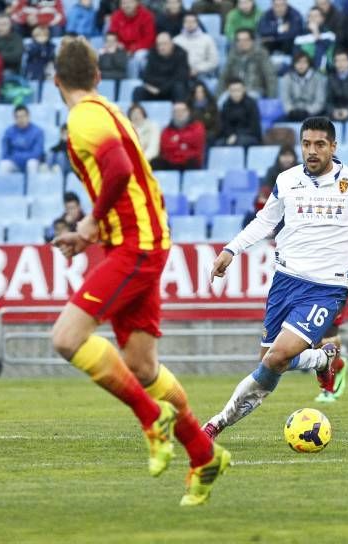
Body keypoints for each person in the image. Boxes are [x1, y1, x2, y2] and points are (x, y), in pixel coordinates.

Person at [50, 36, 229, 506]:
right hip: (136, 240)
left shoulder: (85, 116)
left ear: (55, 81)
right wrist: (90, 233)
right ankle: (204, 454)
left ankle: (153, 419)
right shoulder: (106, 110)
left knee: (67, 338)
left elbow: (120, 169)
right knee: (142, 365)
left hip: (136, 245)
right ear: (98, 75)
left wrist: (88, 223)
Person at [201, 116, 348, 440]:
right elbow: (265, 222)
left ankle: (214, 424)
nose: (312, 151)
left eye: (319, 144)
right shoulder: (287, 180)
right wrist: (231, 250)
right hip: (285, 280)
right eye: (306, 144)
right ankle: (322, 358)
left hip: (326, 287)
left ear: (334, 146)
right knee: (268, 364)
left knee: (278, 356)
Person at [312, 205, 348, 403]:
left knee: (328, 336)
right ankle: (337, 365)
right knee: (313, 339)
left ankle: (329, 387)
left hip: (339, 281)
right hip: (308, 277)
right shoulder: (306, 194)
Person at [218, 27, 277, 98]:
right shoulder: (233, 55)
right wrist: (218, 96)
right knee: (223, 99)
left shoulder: (261, 54)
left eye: (245, 40)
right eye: (239, 40)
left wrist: (271, 99)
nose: (242, 43)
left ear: (252, 41)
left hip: (254, 90)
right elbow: (224, 76)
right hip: (234, 90)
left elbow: (270, 77)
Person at [132, 32, 190, 103]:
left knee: (179, 87)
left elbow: (180, 77)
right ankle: (137, 113)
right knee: (138, 91)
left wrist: (161, 89)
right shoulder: (152, 53)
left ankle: (179, 112)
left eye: (165, 44)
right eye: (159, 44)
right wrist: (154, 87)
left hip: (170, 90)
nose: (161, 47)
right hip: (154, 90)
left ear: (172, 43)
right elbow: (147, 76)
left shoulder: (181, 54)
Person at [152, 101, 206, 170]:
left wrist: (178, 139)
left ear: (188, 112)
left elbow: (195, 140)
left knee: (192, 162)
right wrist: (184, 145)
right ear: (172, 114)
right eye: (176, 111)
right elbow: (166, 147)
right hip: (172, 161)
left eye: (182, 111)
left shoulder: (198, 126)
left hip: (189, 161)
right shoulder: (166, 130)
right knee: (155, 163)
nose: (179, 113)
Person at [280, 51, 326, 121]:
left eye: (304, 62)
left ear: (309, 64)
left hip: (313, 114)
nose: (301, 65)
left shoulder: (318, 78)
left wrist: (308, 111)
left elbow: (320, 101)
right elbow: (285, 100)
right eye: (298, 62)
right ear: (294, 64)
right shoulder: (287, 78)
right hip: (292, 113)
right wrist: (291, 111)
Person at [0, 105, 45, 175]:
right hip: (15, 163)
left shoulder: (38, 132)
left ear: (28, 116)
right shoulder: (9, 132)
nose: (21, 119)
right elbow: (5, 154)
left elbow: (37, 153)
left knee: (32, 163)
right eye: (18, 117)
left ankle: (32, 185)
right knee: (4, 164)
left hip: (30, 161)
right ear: (14, 118)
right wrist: (17, 158)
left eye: (23, 116)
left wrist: (18, 156)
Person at [173, 12, 219, 79]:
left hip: (202, 74)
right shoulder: (176, 40)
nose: (190, 24)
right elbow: (172, 61)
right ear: (183, 24)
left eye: (192, 21)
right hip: (180, 75)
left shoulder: (207, 39)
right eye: (187, 22)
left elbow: (214, 61)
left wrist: (198, 69)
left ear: (197, 23)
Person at [219, 77, 262, 146]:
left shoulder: (251, 103)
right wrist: (230, 135)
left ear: (244, 89)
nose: (236, 93)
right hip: (231, 136)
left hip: (250, 136)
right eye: (233, 90)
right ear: (229, 91)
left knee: (238, 142)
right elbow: (224, 124)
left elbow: (254, 127)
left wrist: (236, 136)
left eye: (238, 90)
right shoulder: (226, 104)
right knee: (219, 143)